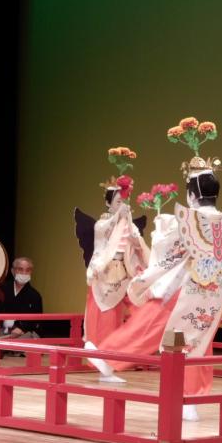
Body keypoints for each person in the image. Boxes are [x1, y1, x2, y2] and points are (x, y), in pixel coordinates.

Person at [87, 118, 222, 421]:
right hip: (214, 290)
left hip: (183, 286)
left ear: (191, 195)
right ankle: (191, 398)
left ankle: (107, 356)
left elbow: (170, 254)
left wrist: (150, 263)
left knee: (151, 325)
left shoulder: (187, 221)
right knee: (199, 341)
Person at [75, 146, 149, 346]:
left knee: (131, 312)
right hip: (105, 272)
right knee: (104, 314)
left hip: (125, 272)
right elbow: (103, 235)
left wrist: (130, 223)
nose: (121, 204)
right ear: (109, 203)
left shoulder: (128, 223)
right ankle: (100, 351)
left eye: (123, 200)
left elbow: (136, 241)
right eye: (117, 201)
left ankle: (125, 354)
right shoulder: (102, 224)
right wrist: (119, 216)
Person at [0, 257, 42, 353]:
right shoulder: (2, 290)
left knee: (29, 340)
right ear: (13, 271)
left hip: (22, 331)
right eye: (20, 269)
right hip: (3, 329)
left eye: (27, 270)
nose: (24, 273)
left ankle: (8, 348)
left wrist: (21, 328)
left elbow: (36, 318)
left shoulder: (35, 295)